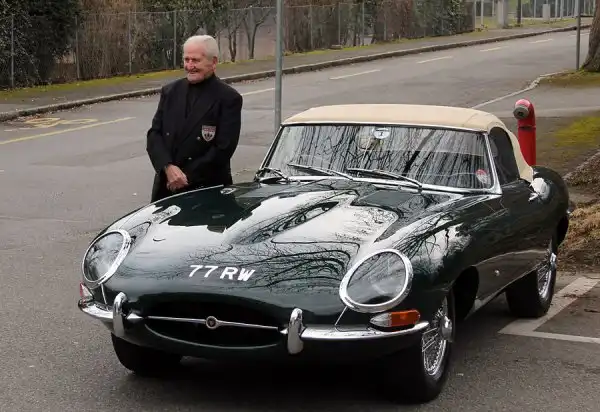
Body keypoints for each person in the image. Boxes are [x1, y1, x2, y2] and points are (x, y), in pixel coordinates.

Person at [146, 34, 243, 202]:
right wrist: (167, 167)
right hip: (167, 188)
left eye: (196, 60)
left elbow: (223, 149)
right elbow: (154, 134)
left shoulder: (228, 98)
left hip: (207, 193)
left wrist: (184, 177)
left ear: (213, 62)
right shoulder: (170, 92)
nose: (190, 66)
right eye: (186, 59)